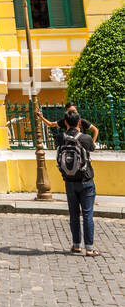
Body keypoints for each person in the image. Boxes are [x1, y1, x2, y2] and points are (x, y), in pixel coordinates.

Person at [57, 108, 98, 256]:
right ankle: (89, 248)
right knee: (87, 214)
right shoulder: (85, 138)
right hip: (86, 180)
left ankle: (76, 245)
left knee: (74, 214)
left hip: (69, 181)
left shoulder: (60, 137)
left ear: (66, 122)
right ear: (79, 122)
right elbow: (92, 148)